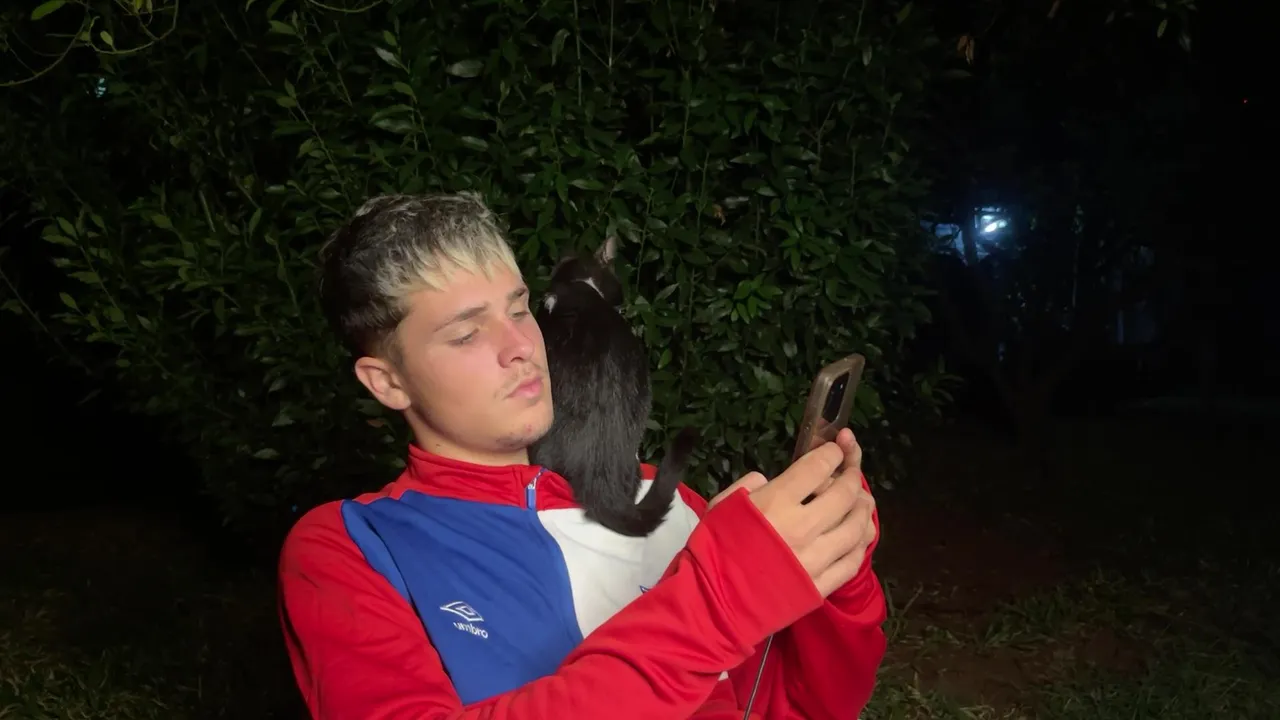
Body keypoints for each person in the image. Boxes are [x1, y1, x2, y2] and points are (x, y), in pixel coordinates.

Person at [277, 192, 887, 719]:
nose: (521, 345)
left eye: (520, 309)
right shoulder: (352, 550)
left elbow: (798, 704)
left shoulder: (659, 500)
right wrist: (718, 599)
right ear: (387, 382)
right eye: (466, 333)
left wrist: (835, 574)